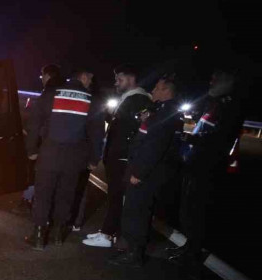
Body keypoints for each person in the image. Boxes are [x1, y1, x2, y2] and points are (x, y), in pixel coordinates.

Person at [167, 69, 245, 264]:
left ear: (227, 83)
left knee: (195, 210)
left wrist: (193, 138)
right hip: (195, 162)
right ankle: (188, 246)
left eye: (215, 80)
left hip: (206, 166)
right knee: (187, 208)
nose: (210, 82)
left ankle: (193, 252)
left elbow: (220, 140)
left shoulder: (229, 107)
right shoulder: (215, 104)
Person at [24, 68, 105, 250]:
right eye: (90, 78)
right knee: (66, 196)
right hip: (75, 157)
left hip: (49, 153)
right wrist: (94, 158)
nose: (91, 82)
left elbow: (34, 123)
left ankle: (38, 235)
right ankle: (58, 234)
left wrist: (32, 149)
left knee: (43, 194)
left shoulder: (52, 94)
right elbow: (97, 133)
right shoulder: (92, 100)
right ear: (83, 76)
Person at [108, 75, 183, 267]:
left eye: (158, 88)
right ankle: (132, 249)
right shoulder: (162, 110)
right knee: (136, 210)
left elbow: (154, 146)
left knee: (136, 211)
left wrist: (138, 173)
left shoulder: (166, 112)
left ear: (167, 91)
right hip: (146, 169)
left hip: (145, 173)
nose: (153, 91)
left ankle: (134, 254)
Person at [83, 64, 152, 248]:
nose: (116, 83)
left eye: (119, 79)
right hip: (117, 154)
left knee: (116, 195)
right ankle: (109, 231)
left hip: (122, 156)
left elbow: (134, 129)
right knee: (114, 195)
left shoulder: (138, 99)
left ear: (131, 79)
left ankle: (108, 234)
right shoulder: (128, 98)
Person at [13, 64, 64, 215]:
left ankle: (30, 203)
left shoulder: (48, 93)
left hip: (44, 141)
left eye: (42, 75)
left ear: (48, 75)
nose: (41, 78)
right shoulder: (63, 92)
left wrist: (32, 147)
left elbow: (36, 122)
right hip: (60, 142)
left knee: (36, 173)